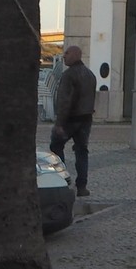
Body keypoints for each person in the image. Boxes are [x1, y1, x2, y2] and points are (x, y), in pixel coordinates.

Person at [50, 45, 96, 195]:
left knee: (56, 146)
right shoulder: (90, 74)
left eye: (67, 53)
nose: (64, 56)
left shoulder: (69, 75)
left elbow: (64, 101)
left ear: (76, 55)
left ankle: (62, 180)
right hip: (86, 118)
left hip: (70, 119)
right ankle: (82, 186)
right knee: (82, 150)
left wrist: (59, 124)